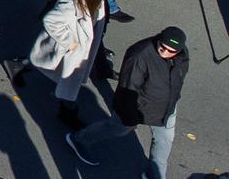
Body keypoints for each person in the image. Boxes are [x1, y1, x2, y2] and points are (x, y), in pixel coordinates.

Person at [66, 26, 188, 175]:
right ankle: (79, 139)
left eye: (171, 51)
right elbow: (128, 87)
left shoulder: (182, 56)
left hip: (165, 108)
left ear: (179, 51)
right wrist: (129, 118)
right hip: (137, 107)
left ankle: (154, 174)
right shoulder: (139, 55)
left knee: (164, 142)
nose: (165, 52)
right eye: (162, 46)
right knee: (116, 128)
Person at [3, 0, 110, 128]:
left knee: (52, 67)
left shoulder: (95, 2)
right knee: (67, 81)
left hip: (75, 49)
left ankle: (18, 64)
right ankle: (67, 111)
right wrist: (70, 43)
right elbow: (51, 20)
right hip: (70, 49)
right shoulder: (70, 4)